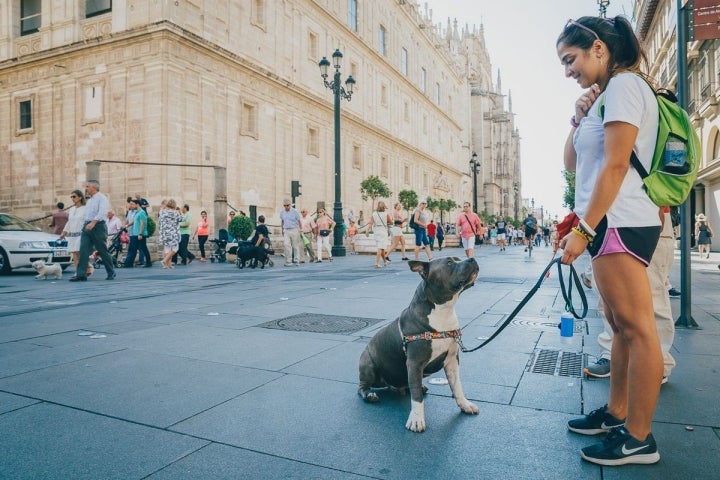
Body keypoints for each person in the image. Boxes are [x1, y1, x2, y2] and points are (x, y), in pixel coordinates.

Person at [557, 16, 663, 465]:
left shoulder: (623, 87)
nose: (568, 71)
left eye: (571, 59)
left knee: (637, 329)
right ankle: (618, 413)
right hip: (607, 222)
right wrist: (579, 115)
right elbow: (572, 162)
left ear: (598, 48)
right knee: (619, 327)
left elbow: (617, 166)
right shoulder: (607, 95)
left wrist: (583, 230)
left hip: (616, 221)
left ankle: (639, 438)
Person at [583, 208, 677, 384]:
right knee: (609, 300)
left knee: (653, 295)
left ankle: (659, 362)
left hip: (647, 217)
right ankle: (612, 356)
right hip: (608, 220)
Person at [70, 181, 117, 281]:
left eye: (88, 186)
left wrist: (93, 223)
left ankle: (111, 272)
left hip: (98, 226)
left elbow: (102, 212)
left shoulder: (102, 198)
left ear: (94, 188)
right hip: (87, 227)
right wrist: (85, 224)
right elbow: (86, 215)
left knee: (102, 250)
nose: (86, 189)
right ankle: (81, 275)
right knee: (83, 250)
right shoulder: (90, 200)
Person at [58, 190, 87, 278]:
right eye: (71, 197)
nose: (72, 198)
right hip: (72, 234)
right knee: (74, 253)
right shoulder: (72, 209)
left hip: (81, 233)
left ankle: (84, 270)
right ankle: (78, 271)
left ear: (80, 197)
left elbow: (86, 221)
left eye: (74, 196)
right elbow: (69, 222)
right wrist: (64, 232)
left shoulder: (85, 208)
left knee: (79, 252)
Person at [123, 198, 152, 269]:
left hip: (140, 234)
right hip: (135, 233)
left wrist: (140, 234)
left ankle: (148, 262)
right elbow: (134, 222)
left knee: (144, 248)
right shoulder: (137, 212)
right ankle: (129, 263)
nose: (131, 205)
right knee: (133, 248)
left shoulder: (142, 212)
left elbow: (142, 223)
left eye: (133, 204)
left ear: (137, 205)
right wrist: (127, 225)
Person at [366, 201, 393, 268]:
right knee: (380, 248)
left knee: (382, 248)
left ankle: (385, 261)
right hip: (383, 231)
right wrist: (385, 223)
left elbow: (371, 223)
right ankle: (376, 263)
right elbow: (391, 223)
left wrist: (367, 230)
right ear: (384, 207)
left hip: (376, 231)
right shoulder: (386, 214)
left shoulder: (374, 214)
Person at [158, 199, 182, 269]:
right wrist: (179, 212)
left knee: (167, 249)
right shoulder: (175, 213)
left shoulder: (162, 212)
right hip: (173, 234)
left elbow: (160, 222)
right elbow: (182, 219)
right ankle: (165, 261)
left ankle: (168, 265)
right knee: (175, 248)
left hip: (164, 234)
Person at [280, 199, 302, 266]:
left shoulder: (295, 211)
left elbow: (299, 221)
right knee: (286, 245)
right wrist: (282, 229)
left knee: (295, 246)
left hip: (294, 229)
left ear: (290, 205)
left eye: (288, 205)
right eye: (285, 205)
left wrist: (300, 229)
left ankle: (296, 260)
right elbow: (282, 221)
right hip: (286, 230)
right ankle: (288, 261)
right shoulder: (282, 212)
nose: (286, 207)